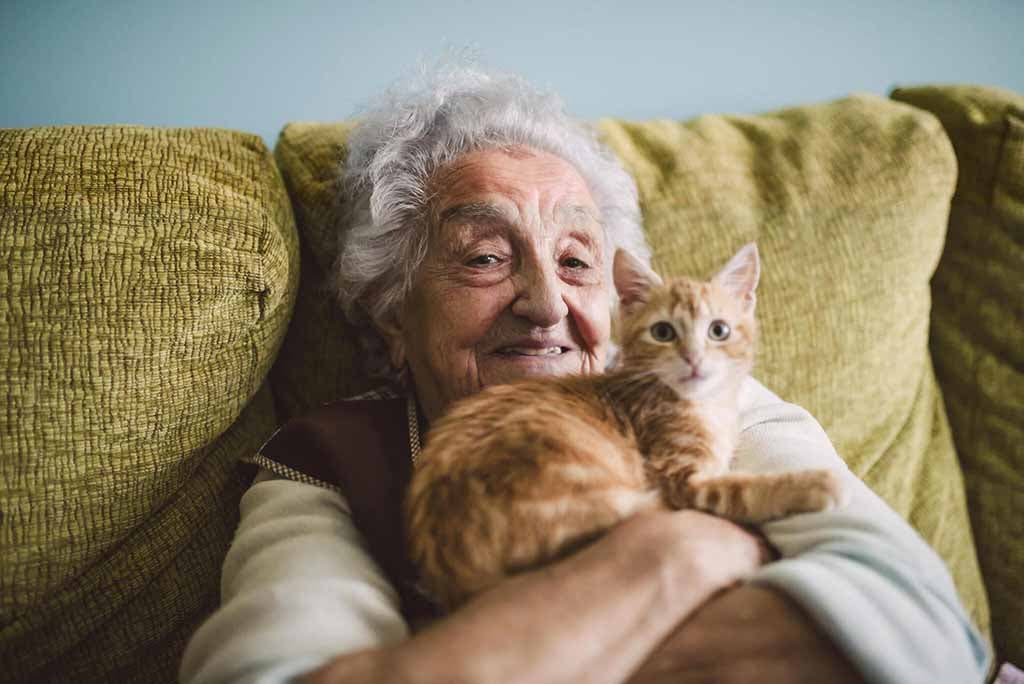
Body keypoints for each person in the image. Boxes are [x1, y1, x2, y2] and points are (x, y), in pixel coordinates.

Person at [179, 61, 990, 684]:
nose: (544, 303)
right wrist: (679, 555)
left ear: (622, 298)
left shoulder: (712, 395)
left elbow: (924, 635)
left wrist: (486, 646)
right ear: (394, 315)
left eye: (576, 260)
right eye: (487, 257)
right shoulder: (321, 462)